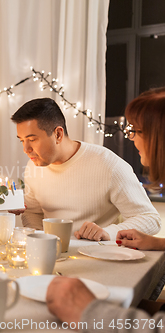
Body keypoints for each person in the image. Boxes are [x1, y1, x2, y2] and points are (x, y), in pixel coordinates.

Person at [47, 87, 165, 332]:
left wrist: (89, 312)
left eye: (136, 130)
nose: (131, 138)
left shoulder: (106, 162)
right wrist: (158, 244)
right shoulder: (33, 168)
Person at [12, 97, 160, 241]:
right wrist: (40, 240)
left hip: (96, 256)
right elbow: (32, 212)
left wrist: (108, 232)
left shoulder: (108, 164)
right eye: (22, 141)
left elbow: (150, 219)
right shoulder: (34, 165)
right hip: (52, 255)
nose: (26, 149)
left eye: (32, 140)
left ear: (58, 134)